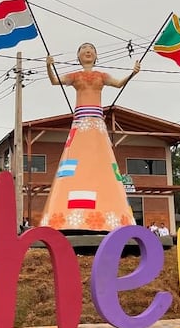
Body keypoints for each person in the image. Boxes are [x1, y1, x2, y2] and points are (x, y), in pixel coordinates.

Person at [42, 43, 140, 231]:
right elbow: (54, 81)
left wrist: (132, 73)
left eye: (91, 49)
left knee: (100, 161)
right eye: (83, 49)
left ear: (96, 55)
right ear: (78, 56)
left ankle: (112, 214)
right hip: (80, 124)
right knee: (75, 162)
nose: (88, 51)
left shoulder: (101, 76)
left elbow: (119, 83)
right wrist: (48, 65)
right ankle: (66, 216)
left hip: (97, 124)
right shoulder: (75, 76)